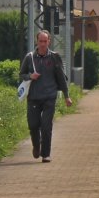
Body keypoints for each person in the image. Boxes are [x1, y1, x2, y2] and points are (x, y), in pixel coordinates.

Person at [20, 30, 72, 163]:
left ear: (49, 41)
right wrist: (30, 76)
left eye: (45, 41)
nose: (43, 44)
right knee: (33, 125)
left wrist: (67, 96)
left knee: (46, 126)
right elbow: (21, 75)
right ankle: (36, 146)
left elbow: (61, 77)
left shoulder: (54, 57)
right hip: (33, 97)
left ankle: (46, 154)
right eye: (40, 41)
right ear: (37, 42)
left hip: (49, 96)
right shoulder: (29, 57)